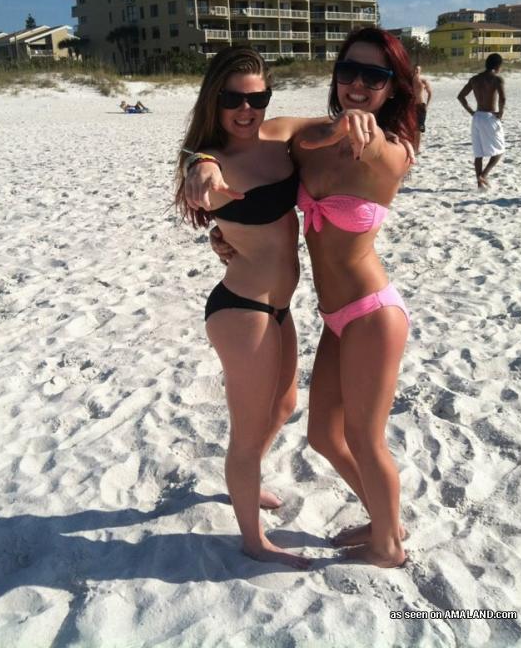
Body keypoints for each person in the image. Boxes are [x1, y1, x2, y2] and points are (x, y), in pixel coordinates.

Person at [184, 29, 416, 568]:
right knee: (314, 435)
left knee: (348, 431)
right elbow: (242, 149)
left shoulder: (386, 150)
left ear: (392, 87)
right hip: (293, 312)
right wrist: (201, 162)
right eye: (349, 71)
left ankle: (387, 540)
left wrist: (366, 123)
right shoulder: (293, 142)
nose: (358, 83)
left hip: (367, 310)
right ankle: (372, 522)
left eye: (375, 76)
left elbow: (377, 143)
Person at [175, 46, 331, 568]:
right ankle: (252, 539)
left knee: (283, 406)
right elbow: (200, 167)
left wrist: (356, 120)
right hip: (242, 310)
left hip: (278, 306)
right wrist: (200, 167)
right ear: (214, 100)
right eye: (234, 100)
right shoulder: (210, 158)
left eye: (258, 98)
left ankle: (243, 480)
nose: (247, 110)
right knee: (245, 435)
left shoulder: (278, 134)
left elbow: (324, 125)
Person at [457, 54, 506, 189]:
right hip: (490, 116)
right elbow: (502, 98)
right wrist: (501, 113)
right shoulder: (496, 79)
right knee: (500, 151)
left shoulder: (474, 79)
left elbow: (461, 96)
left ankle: (480, 185)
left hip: (477, 117)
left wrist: (471, 112)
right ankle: (483, 175)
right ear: (497, 66)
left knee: (478, 154)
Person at [412, 64, 432, 154]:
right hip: (411, 106)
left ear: (420, 71)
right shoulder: (409, 81)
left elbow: (430, 93)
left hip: (420, 105)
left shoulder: (423, 81)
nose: (416, 71)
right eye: (415, 69)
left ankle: (417, 148)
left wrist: (427, 105)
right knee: (411, 127)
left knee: (419, 128)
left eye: (418, 69)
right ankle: (413, 147)